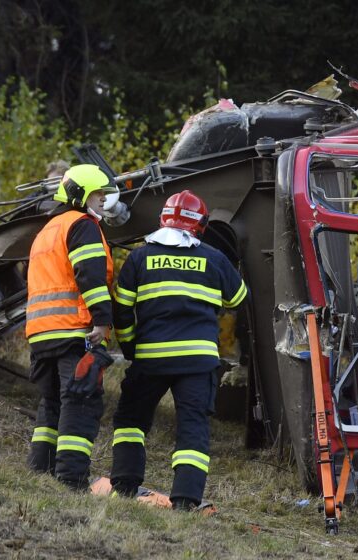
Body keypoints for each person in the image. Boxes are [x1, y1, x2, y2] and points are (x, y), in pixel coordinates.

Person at [109, 190, 248, 511]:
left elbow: (122, 310)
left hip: (150, 357)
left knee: (131, 420)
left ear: (163, 220)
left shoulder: (139, 258)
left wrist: (131, 347)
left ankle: (125, 486)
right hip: (197, 362)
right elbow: (240, 299)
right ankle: (186, 501)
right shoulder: (214, 258)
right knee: (192, 427)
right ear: (200, 225)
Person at [25, 164, 116, 489]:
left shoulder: (49, 229)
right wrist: (103, 320)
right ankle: (71, 479)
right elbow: (90, 277)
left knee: (51, 403)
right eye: (98, 193)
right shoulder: (83, 226)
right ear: (81, 196)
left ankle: (40, 472)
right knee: (80, 401)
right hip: (74, 329)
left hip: (41, 333)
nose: (104, 199)